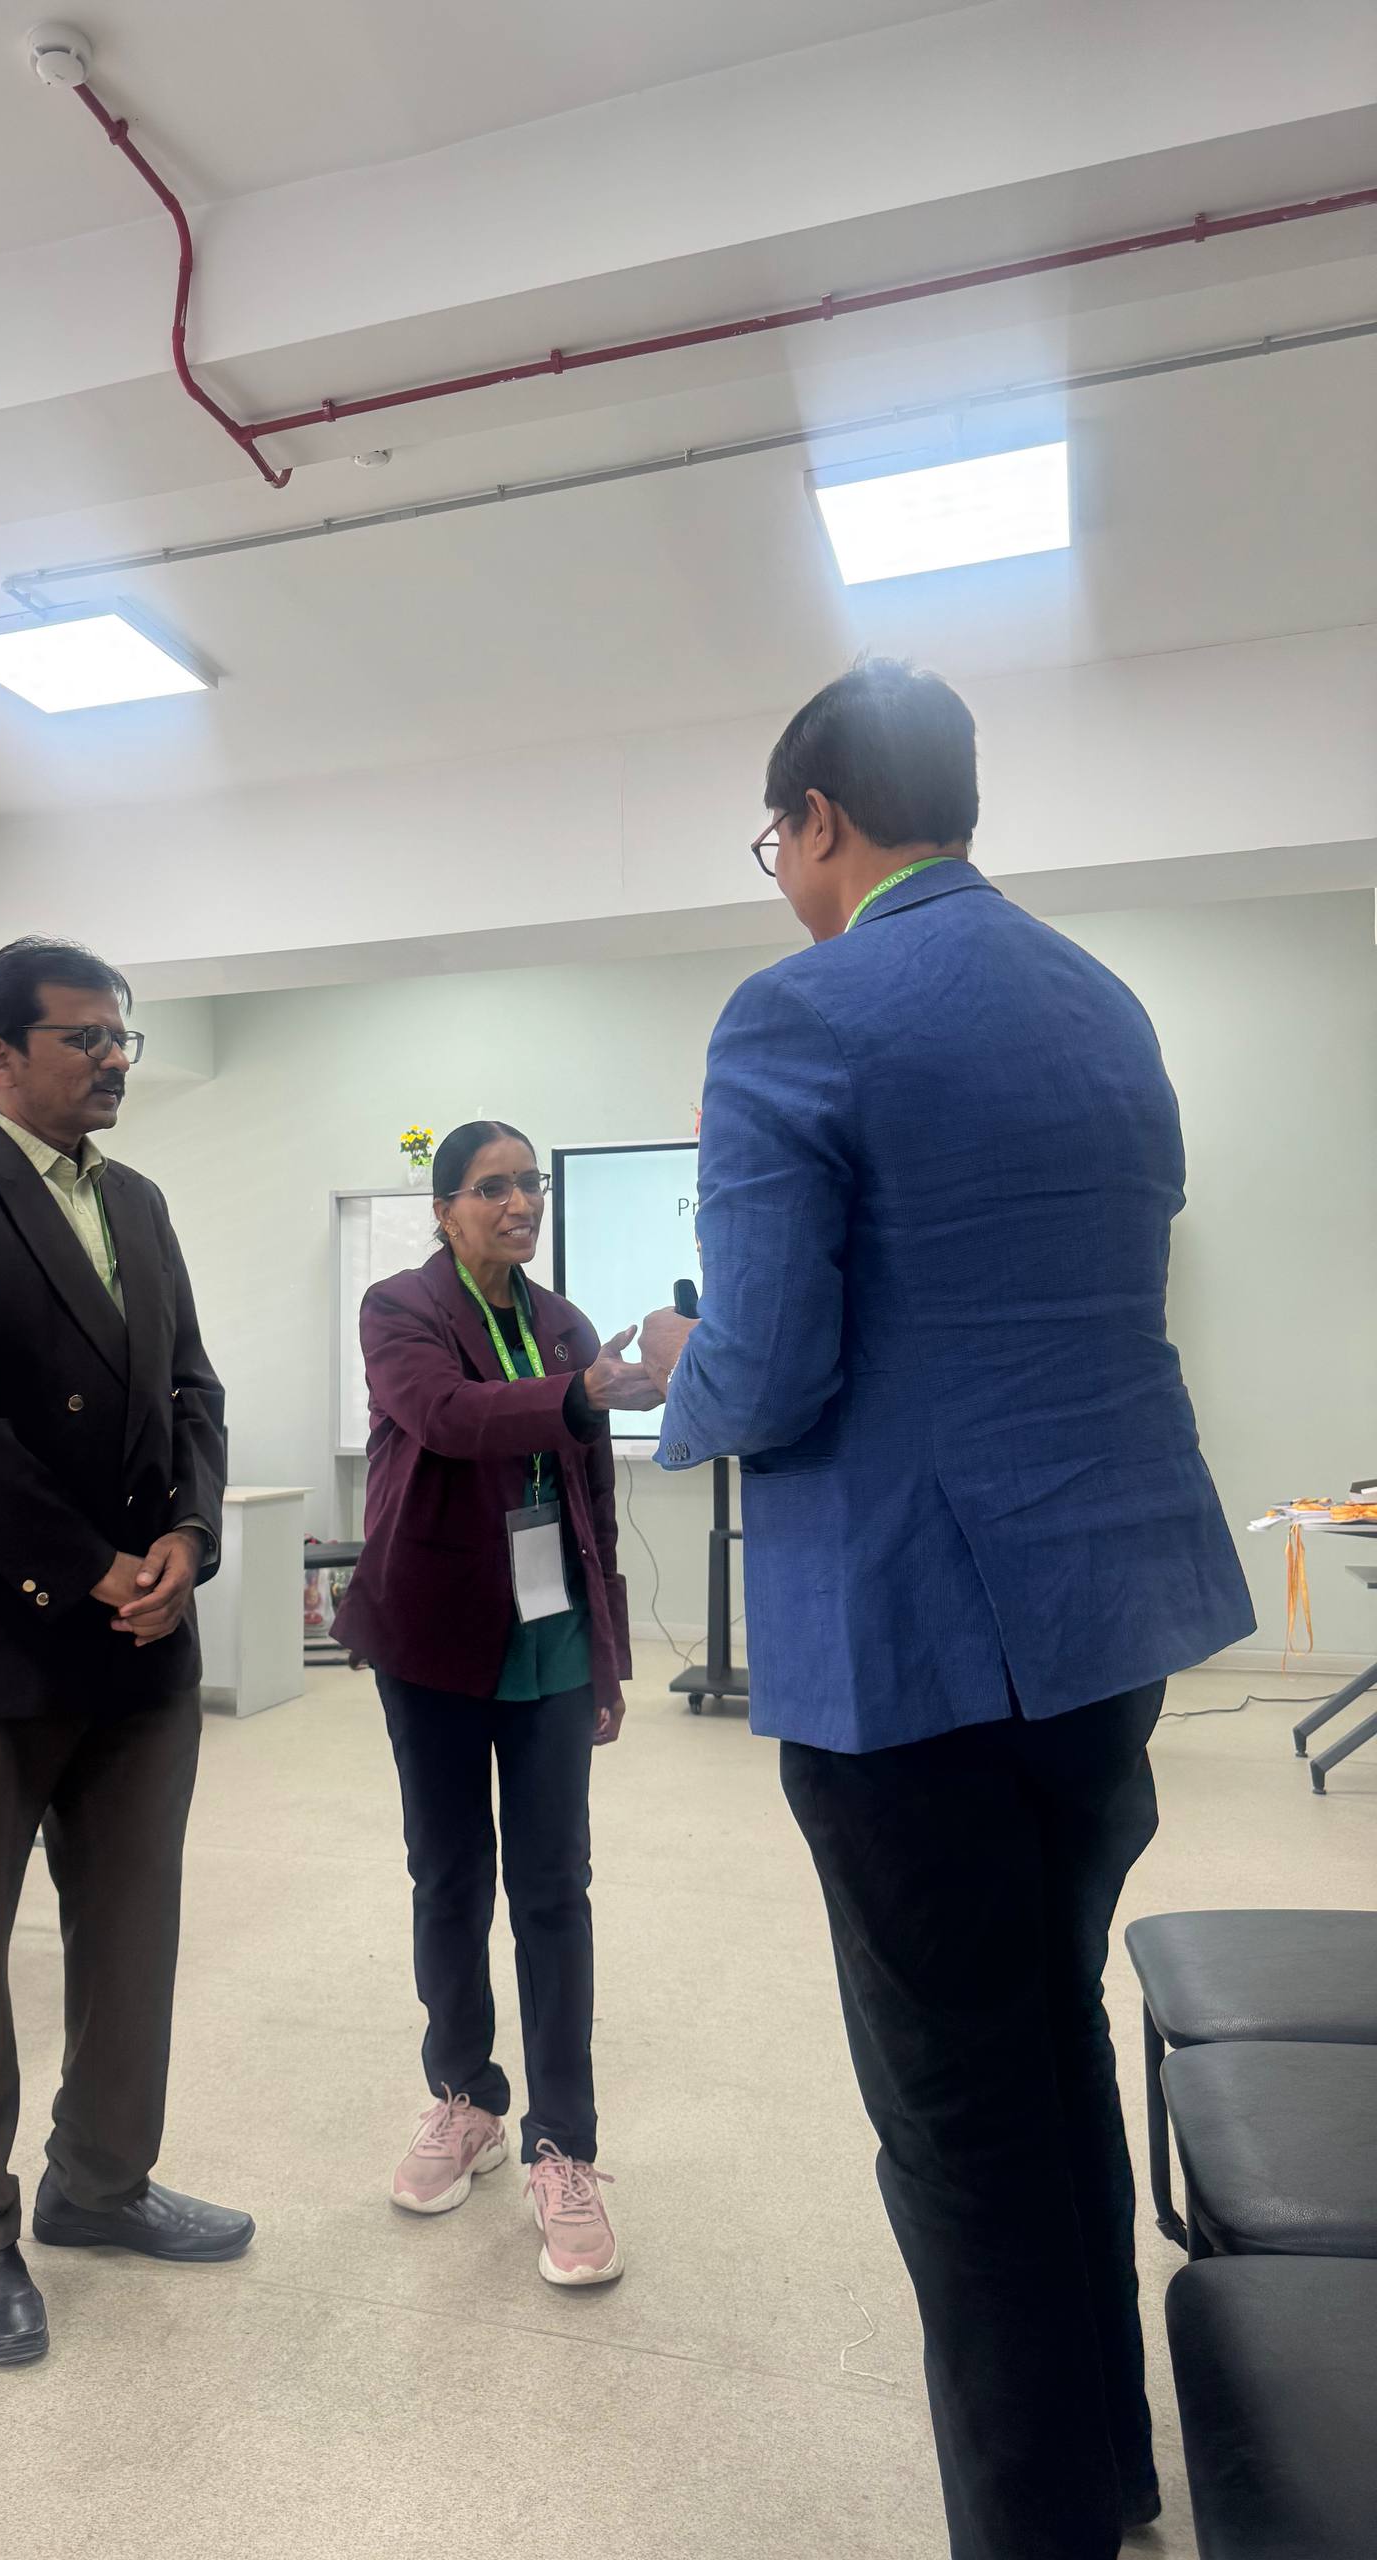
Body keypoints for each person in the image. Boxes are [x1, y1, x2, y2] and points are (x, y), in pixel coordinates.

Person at [636, 661, 1253, 2560]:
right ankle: (1109, 2470)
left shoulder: (800, 1012)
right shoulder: (1101, 1000)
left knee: (956, 2119)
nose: (781, 879)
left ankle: (1038, 2523)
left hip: (914, 1643)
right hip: (1106, 1623)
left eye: (776, 844)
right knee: (1047, 2036)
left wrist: (669, 1366)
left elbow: (768, 1365)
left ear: (818, 820)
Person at [0, 935, 249, 2372]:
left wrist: (188, 1537)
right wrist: (87, 1565)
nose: (115, 1057)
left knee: (134, 1931)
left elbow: (194, 1388)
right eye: (86, 1037)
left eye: (122, 1036)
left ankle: (103, 2183)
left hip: (142, 1638)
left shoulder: (138, 1202)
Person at [334, 1120, 663, 2288]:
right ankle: (465, 2097)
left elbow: (592, 1502)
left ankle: (562, 2146)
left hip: (554, 1637)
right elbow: (449, 1417)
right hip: (433, 1632)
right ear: (444, 1208)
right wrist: (577, 1392)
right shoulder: (401, 1309)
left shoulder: (565, 1321)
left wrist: (609, 1654)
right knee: (449, 1876)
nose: (520, 1201)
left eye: (530, 1183)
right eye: (492, 1186)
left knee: (554, 1890)